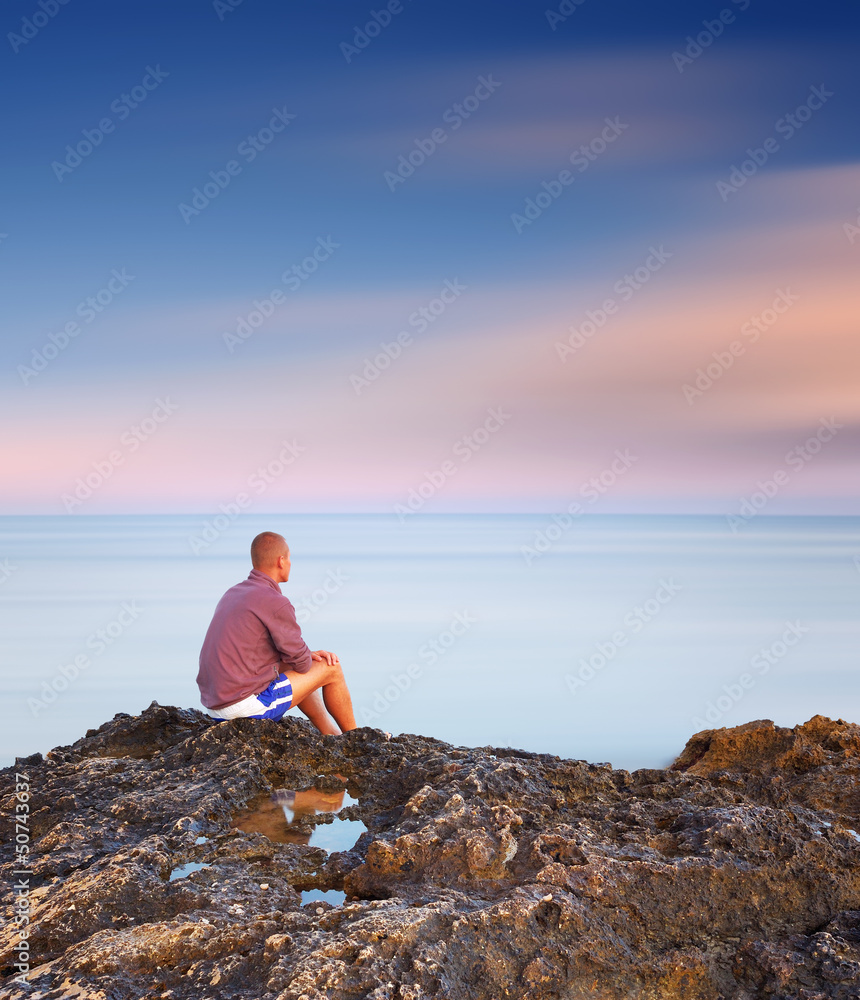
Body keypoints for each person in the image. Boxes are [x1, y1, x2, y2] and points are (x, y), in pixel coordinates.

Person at [196, 531, 356, 735]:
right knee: (331, 667)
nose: (290, 563)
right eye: (289, 558)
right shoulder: (275, 602)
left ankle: (331, 734)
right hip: (244, 708)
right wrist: (306, 657)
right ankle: (355, 738)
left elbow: (287, 657)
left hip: (215, 707)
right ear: (281, 561)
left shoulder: (234, 593)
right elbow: (303, 665)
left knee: (294, 664)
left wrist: (304, 655)